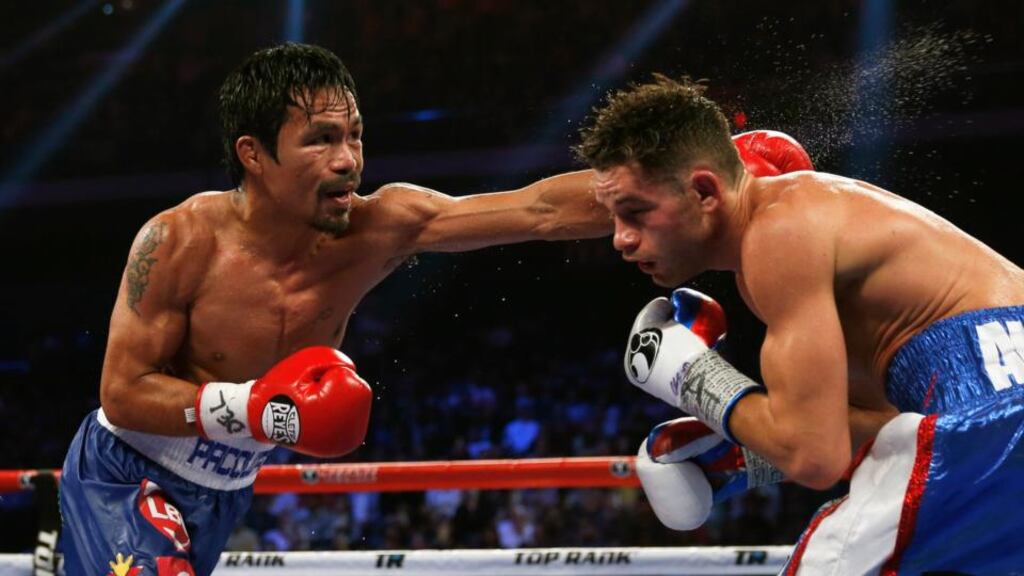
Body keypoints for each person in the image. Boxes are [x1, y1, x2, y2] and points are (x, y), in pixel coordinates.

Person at [57, 42, 613, 576]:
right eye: (320, 140)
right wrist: (255, 408)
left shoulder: (380, 229)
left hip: (225, 491)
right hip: (123, 474)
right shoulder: (179, 240)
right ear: (253, 154)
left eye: (354, 135)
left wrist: (644, 191)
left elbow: (538, 211)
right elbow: (122, 393)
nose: (348, 160)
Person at [576, 74, 1024, 573]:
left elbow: (815, 459)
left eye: (635, 213)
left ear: (705, 190)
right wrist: (748, 451)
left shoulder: (778, 229)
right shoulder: (838, 254)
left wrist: (690, 375)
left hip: (995, 415)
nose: (620, 239)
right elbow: (887, 431)